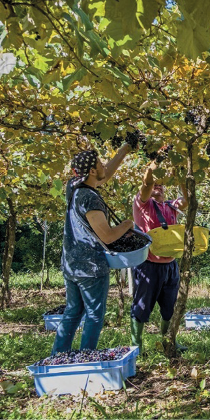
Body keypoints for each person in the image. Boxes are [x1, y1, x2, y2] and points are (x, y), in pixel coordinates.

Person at [52, 144, 134, 354]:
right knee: (94, 315)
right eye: (100, 163)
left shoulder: (75, 187)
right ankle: (86, 358)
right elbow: (106, 236)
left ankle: (58, 358)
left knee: (72, 312)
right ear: (91, 171)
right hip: (90, 266)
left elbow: (103, 176)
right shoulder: (90, 198)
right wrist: (126, 225)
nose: (103, 166)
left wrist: (123, 151)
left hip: (72, 264)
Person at [130, 160, 188, 353]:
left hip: (170, 266)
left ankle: (168, 341)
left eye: (161, 185)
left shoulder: (171, 206)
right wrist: (158, 161)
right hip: (148, 265)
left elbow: (187, 200)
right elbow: (146, 185)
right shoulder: (142, 205)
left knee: (169, 307)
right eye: (155, 184)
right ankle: (136, 345)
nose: (158, 186)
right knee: (142, 306)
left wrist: (181, 179)